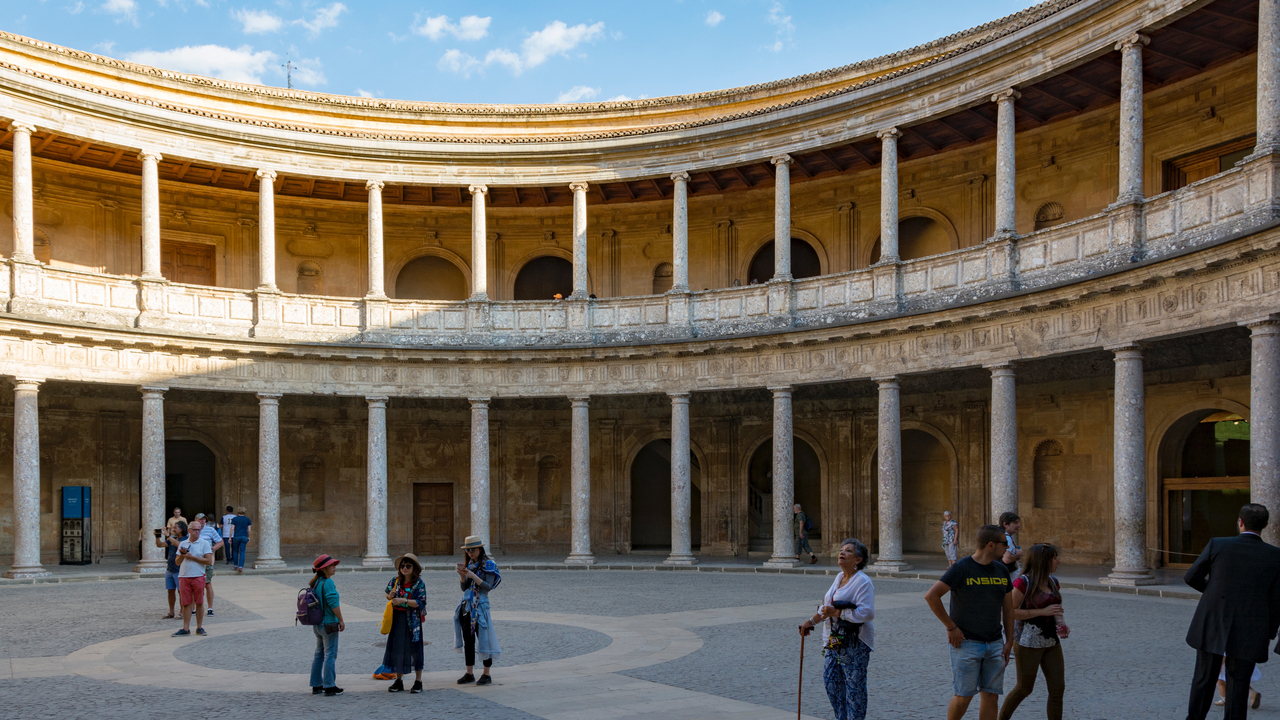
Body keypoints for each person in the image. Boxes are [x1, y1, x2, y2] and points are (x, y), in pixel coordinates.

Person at [1184, 503, 1280, 720]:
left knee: (1203, 681)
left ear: (1240, 522)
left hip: (1212, 622)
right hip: (1252, 628)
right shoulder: (1275, 555)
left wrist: (1213, 594)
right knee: (1238, 687)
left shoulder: (1218, 545)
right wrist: (1269, 633)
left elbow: (1191, 577)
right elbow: (1276, 601)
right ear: (1265, 525)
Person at [924, 524, 1015, 720]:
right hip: (966, 643)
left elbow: (1008, 609)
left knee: (991, 696)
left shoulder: (1001, 570)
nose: (1007, 548)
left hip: (994, 643)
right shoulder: (962, 568)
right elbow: (932, 596)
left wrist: (1009, 641)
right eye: (1004, 543)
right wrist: (951, 627)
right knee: (963, 696)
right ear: (991, 545)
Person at [799, 538, 875, 720]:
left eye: (848, 551)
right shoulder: (839, 577)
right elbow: (828, 606)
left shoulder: (863, 582)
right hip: (834, 641)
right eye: (841, 550)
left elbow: (867, 613)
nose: (842, 553)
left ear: (858, 559)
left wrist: (838, 613)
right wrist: (812, 620)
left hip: (855, 642)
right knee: (831, 683)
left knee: (854, 689)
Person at [998, 543, 1068, 720]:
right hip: (1027, 642)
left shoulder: (1054, 582)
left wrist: (1061, 623)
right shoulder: (1023, 582)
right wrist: (1041, 612)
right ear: (1043, 561)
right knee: (1024, 688)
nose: (1057, 561)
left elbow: (1055, 608)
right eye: (1054, 558)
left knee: (1058, 689)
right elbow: (1009, 612)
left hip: (1051, 641)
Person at [455, 535, 502, 686]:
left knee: (484, 639)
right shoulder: (470, 565)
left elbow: (488, 587)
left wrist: (473, 576)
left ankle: (486, 674)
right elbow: (464, 587)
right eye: (468, 550)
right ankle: (469, 673)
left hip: (481, 606)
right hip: (467, 605)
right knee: (468, 640)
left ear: (480, 549)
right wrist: (463, 576)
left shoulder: (489, 565)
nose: (470, 553)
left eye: (472, 550)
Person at [384, 553, 427, 693]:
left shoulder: (419, 584)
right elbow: (387, 592)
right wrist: (389, 596)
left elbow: (421, 603)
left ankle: (418, 681)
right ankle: (398, 680)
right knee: (398, 649)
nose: (405, 568)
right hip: (397, 619)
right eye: (402, 566)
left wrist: (404, 601)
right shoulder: (395, 580)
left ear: (414, 568)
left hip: (413, 620)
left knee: (415, 649)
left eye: (408, 566)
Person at [309, 554, 346, 697]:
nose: (334, 567)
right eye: (331, 565)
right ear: (324, 569)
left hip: (318, 625)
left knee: (319, 654)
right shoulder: (328, 582)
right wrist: (341, 620)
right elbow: (333, 603)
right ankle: (330, 686)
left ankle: (316, 685)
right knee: (330, 654)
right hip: (329, 624)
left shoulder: (316, 582)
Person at [173, 520, 213, 637]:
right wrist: (183, 555)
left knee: (199, 602)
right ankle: (186, 627)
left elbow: (208, 561)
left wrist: (192, 557)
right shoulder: (182, 543)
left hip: (198, 576)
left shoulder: (204, 543)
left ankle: (199, 627)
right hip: (184, 576)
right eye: (194, 530)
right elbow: (177, 562)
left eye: (198, 530)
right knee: (186, 603)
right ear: (189, 531)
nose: (196, 532)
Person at [147, 521, 186, 618]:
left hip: (179, 569)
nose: (173, 529)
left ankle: (182, 612)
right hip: (170, 569)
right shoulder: (172, 539)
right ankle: (171, 611)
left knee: (181, 592)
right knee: (170, 591)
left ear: (181, 529)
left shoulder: (185, 539)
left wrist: (168, 536)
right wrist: (157, 537)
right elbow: (160, 545)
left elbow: (179, 545)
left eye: (175, 527)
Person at [193, 514, 223, 616]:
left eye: (204, 519)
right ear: (195, 520)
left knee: (207, 583)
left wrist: (212, 549)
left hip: (206, 559)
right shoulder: (192, 530)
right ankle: (193, 607)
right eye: (200, 519)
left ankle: (210, 608)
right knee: (194, 584)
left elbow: (220, 541)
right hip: (195, 560)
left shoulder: (210, 530)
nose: (202, 521)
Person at [998, 512, 1023, 576]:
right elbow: (1007, 559)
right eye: (1015, 523)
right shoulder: (1006, 538)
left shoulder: (1003, 536)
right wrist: (1018, 554)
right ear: (1005, 524)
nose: (1019, 525)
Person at [230, 508, 251, 572]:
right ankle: (241, 566)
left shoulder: (234, 519)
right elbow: (249, 530)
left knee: (235, 551)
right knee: (242, 551)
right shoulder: (247, 519)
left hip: (236, 536)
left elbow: (232, 528)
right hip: (244, 536)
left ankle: (235, 565)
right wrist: (248, 536)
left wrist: (230, 537)